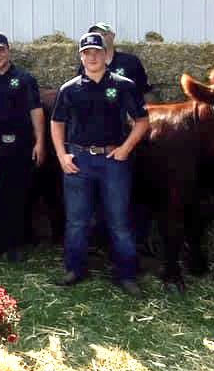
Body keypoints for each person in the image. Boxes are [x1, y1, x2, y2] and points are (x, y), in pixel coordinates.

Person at [50, 32, 149, 295]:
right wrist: (62, 155)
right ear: (81, 57)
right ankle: (74, 269)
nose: (92, 57)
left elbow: (142, 120)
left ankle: (126, 274)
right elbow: (57, 122)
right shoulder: (69, 89)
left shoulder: (123, 85)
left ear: (106, 55)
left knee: (118, 220)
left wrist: (126, 148)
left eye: (97, 52)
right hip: (78, 161)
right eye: (86, 53)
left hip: (112, 161)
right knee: (76, 221)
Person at [0, 32, 45, 263]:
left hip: (19, 146)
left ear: (8, 51)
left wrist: (40, 142)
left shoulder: (25, 79)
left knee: (18, 195)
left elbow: (36, 110)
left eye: (0, 50)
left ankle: (15, 244)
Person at [78, 22, 152, 98]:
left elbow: (144, 90)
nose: (100, 39)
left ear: (113, 36)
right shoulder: (88, 63)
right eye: (97, 36)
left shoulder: (131, 61)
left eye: (104, 34)